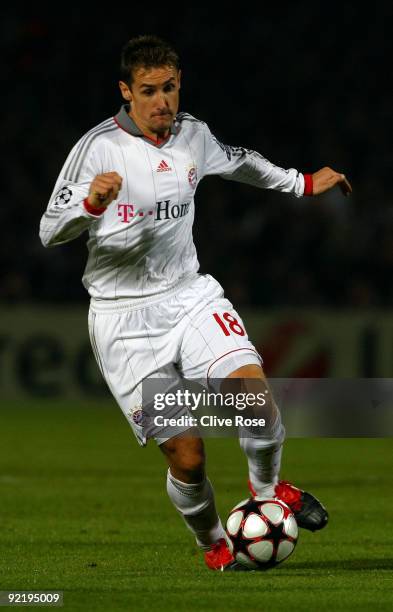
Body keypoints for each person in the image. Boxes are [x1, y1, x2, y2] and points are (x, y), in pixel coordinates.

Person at [39, 34, 352, 571]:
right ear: (126, 92)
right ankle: (213, 543)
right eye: (149, 90)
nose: (163, 101)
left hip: (188, 295)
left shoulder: (192, 136)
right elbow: (49, 230)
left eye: (170, 88)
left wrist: (301, 183)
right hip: (124, 321)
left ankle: (268, 495)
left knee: (254, 395)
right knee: (188, 455)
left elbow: (241, 162)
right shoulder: (97, 149)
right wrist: (90, 204)